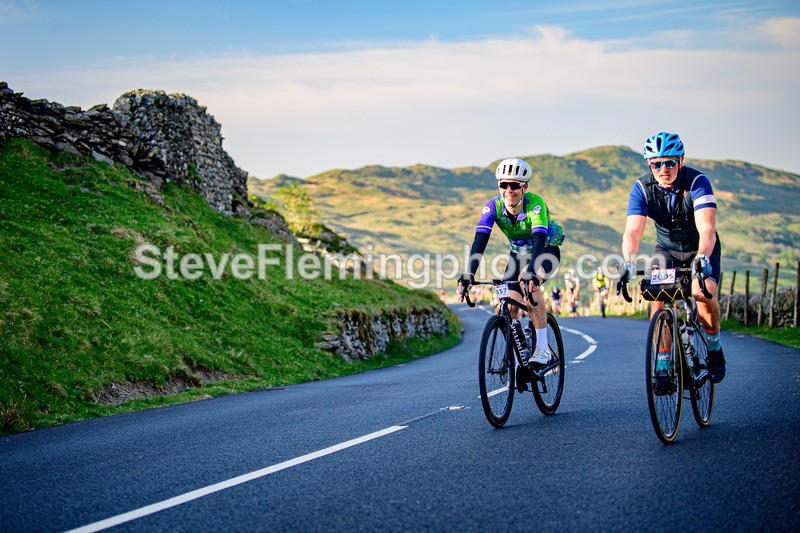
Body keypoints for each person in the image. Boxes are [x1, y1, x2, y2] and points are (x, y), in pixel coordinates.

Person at [620, 132, 725, 382]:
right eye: (656, 163)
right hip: (667, 250)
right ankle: (664, 362)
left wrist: (702, 258)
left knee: (702, 293)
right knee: (658, 297)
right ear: (649, 164)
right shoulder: (641, 188)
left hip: (700, 248)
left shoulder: (697, 182)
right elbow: (632, 232)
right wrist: (628, 262)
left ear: (681, 160)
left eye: (669, 162)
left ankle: (714, 349)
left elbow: (707, 228)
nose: (663, 169)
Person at [457, 158, 563, 366]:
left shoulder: (535, 204)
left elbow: (539, 237)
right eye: (504, 184)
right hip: (518, 254)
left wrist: (532, 271)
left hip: (544, 251)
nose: (509, 190)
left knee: (531, 287)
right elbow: (480, 240)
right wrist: (469, 274)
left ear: (525, 187)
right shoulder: (493, 207)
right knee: (507, 304)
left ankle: (542, 348)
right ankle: (519, 352)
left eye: (515, 185)